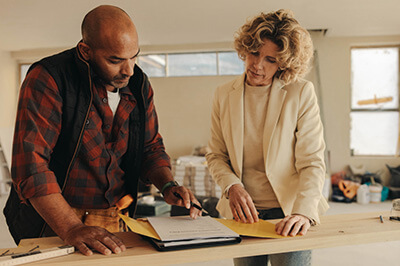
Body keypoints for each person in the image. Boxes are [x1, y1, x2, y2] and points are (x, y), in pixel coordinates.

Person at [3, 5, 201, 256]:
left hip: (114, 214)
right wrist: (72, 227)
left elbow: (150, 147)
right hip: (54, 218)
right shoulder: (49, 78)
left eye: (134, 57)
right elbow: (32, 168)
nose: (129, 70)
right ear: (86, 51)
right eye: (115, 60)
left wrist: (167, 184)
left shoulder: (138, 84)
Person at [206, 9, 329, 266]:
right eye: (254, 53)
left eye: (270, 59)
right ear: (244, 49)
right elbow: (216, 155)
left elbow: (312, 162)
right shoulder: (222, 94)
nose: (257, 65)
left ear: (283, 63)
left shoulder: (301, 93)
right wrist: (233, 187)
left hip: (289, 211)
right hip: (242, 215)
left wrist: (303, 213)